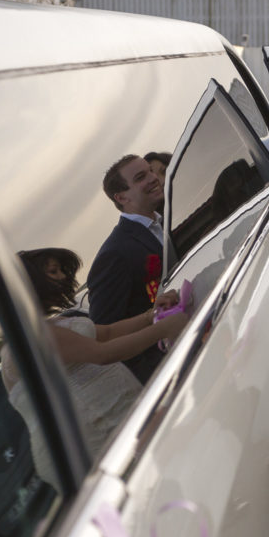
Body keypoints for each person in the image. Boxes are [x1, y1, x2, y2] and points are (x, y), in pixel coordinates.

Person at [4, 247, 188, 491]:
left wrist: (151, 315)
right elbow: (102, 354)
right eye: (53, 272)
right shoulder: (32, 338)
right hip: (89, 440)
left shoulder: (50, 325)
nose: (62, 277)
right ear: (31, 285)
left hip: (108, 424)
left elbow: (108, 333)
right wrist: (164, 329)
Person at [88, 154, 167, 383]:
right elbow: (105, 333)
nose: (153, 178)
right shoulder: (115, 254)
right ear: (121, 197)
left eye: (151, 171)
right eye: (142, 177)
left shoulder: (171, 216)